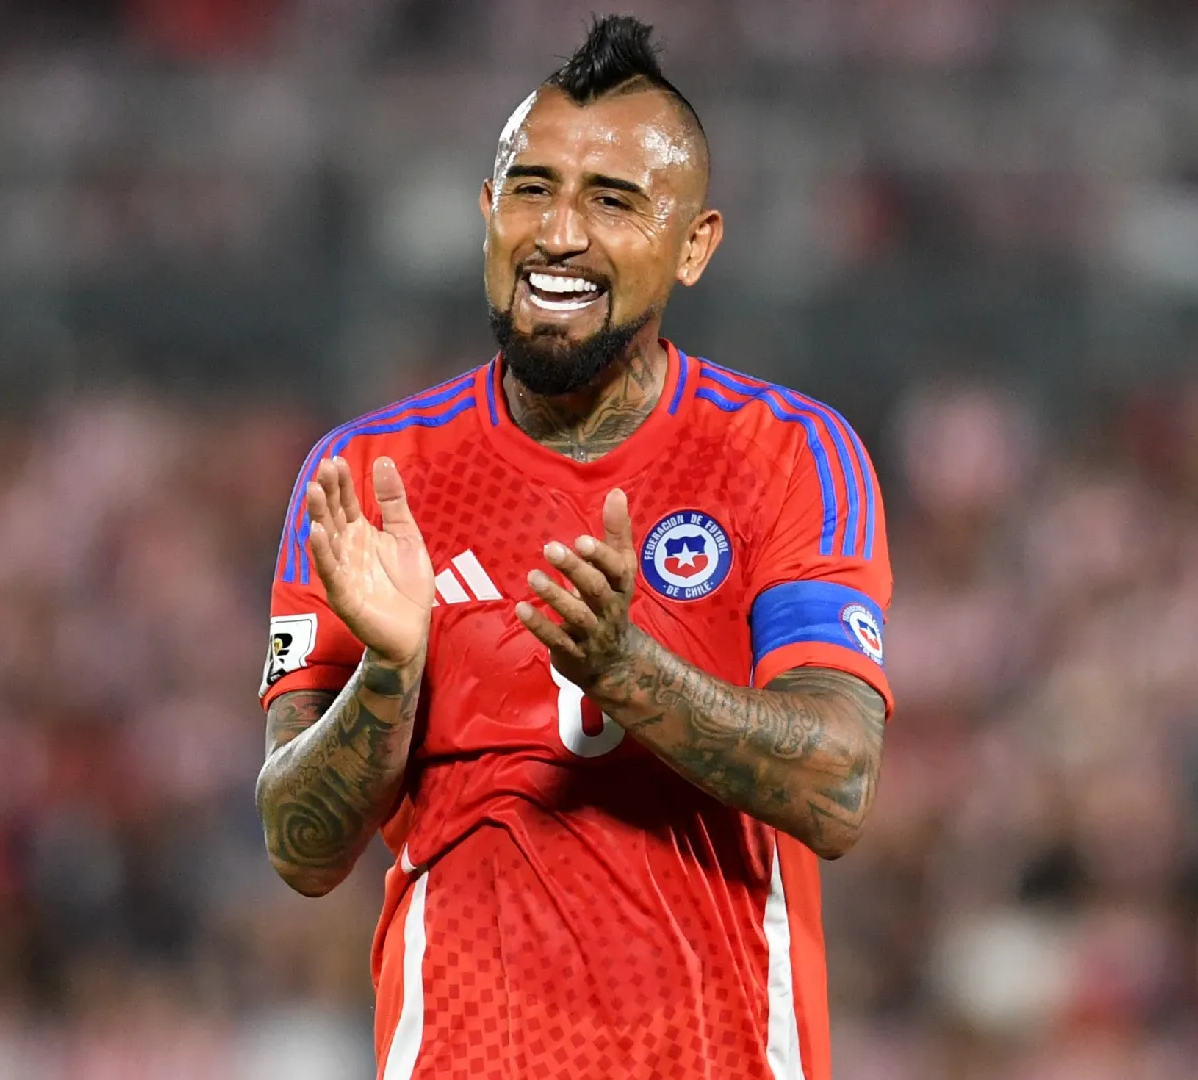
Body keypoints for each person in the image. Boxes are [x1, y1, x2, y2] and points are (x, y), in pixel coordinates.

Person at [254, 15, 890, 1079]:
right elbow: (296, 844)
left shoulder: (787, 454)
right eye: (532, 189)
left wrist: (625, 669)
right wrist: (389, 673)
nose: (558, 233)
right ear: (486, 213)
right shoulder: (365, 479)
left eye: (612, 200)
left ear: (695, 245)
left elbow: (839, 784)